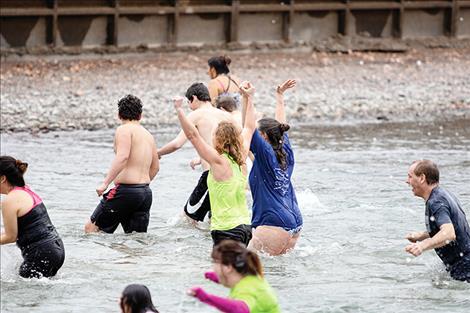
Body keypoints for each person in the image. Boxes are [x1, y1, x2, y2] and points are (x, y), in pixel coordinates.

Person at [173, 81, 256, 245]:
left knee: (223, 271)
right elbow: (249, 127)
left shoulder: (217, 161)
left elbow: (192, 136)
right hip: (246, 227)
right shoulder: (242, 155)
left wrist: (179, 110)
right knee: (242, 269)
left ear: (217, 139)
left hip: (226, 230)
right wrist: (249, 98)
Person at [158, 83, 237, 223]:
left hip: (211, 176)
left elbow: (177, 144)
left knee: (187, 220)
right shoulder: (226, 116)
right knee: (216, 220)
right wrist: (201, 159)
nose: (189, 106)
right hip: (230, 176)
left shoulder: (195, 115)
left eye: (189, 102)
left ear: (194, 98)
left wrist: (158, 153)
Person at [85, 95, 159, 234]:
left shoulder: (124, 129)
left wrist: (105, 183)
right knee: (135, 241)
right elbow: (156, 167)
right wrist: (140, 186)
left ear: (119, 115)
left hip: (125, 192)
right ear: (140, 115)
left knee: (91, 229)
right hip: (145, 194)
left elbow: (123, 157)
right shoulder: (148, 135)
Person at [245, 79, 303, 256]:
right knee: (277, 276)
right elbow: (281, 126)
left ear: (263, 136)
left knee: (241, 269)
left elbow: (248, 127)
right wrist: (279, 97)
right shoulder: (285, 150)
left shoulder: (265, 153)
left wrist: (249, 98)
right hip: (295, 223)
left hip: (273, 223)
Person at [405, 160, 470, 282]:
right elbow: (453, 228)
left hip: (465, 269)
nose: (407, 181)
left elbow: (449, 234)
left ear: (422, 178)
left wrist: (422, 246)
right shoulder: (442, 194)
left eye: (410, 176)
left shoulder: (436, 202)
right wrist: (422, 236)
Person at [0, 156, 65, 278]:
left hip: (41, 253)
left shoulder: (10, 200)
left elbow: (11, 237)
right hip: (56, 249)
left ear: (3, 178)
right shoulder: (25, 190)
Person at [189, 240, 280, 313]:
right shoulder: (251, 278)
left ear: (228, 267)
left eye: (215, 262)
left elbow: (240, 309)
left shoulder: (247, 289)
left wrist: (206, 297)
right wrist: (218, 278)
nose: (213, 267)